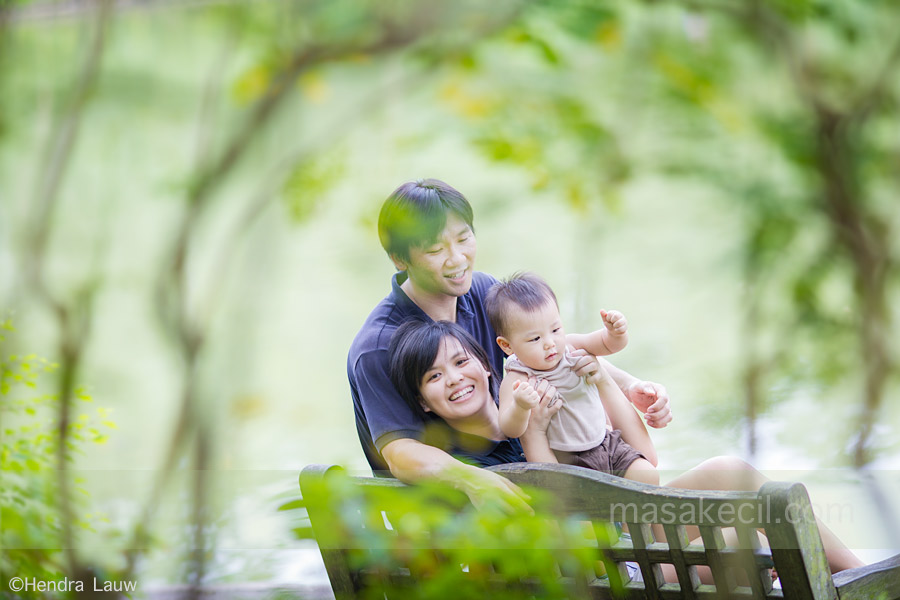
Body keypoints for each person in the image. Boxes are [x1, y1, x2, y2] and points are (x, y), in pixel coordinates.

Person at [388, 319, 866, 576]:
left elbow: (561, 346)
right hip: (603, 568)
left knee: (731, 470)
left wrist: (621, 377)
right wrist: (536, 431)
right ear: (423, 403)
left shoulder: (529, 393)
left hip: (625, 527)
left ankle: (864, 577)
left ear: (490, 365)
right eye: (434, 377)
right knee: (746, 541)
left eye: (460, 362)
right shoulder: (458, 463)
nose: (454, 379)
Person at [347, 178, 671, 510]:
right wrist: (473, 479)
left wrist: (629, 385)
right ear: (399, 259)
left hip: (526, 472)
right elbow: (400, 453)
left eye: (464, 238)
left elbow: (550, 349)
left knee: (712, 478)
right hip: (455, 514)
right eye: (435, 250)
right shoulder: (378, 346)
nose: (457, 259)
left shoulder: (482, 291)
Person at [486, 272, 658, 488]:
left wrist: (616, 333)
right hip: (566, 460)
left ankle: (626, 522)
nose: (550, 343)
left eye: (555, 329)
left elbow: (607, 345)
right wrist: (521, 406)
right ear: (507, 346)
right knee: (580, 510)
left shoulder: (571, 346)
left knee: (647, 475)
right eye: (535, 338)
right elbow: (510, 428)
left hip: (606, 443)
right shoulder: (517, 379)